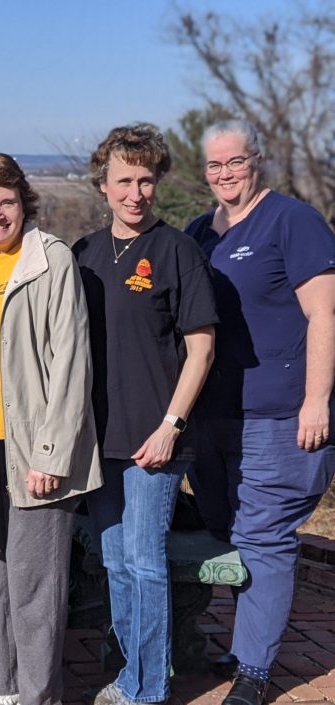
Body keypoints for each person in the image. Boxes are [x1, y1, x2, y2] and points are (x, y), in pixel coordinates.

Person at [185, 118, 335, 705]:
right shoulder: (200, 231)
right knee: (229, 532)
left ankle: (253, 671)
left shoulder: (292, 221)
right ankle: (249, 640)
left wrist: (316, 401)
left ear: (258, 161)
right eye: (214, 164)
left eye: (236, 161)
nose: (225, 173)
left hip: (278, 413)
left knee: (264, 536)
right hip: (212, 414)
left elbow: (324, 316)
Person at [72, 124, 218, 705]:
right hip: (99, 438)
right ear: (103, 185)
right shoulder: (83, 254)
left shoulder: (177, 251)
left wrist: (170, 427)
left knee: (145, 562)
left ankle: (148, 687)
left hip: (155, 439)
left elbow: (202, 349)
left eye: (146, 180)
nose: (136, 193)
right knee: (114, 561)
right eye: (124, 180)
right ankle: (131, 675)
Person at [0, 152, 102, 705]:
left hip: (36, 447)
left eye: (7, 202)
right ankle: (5, 688)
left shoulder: (50, 259)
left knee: (36, 584)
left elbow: (71, 362)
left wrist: (51, 453)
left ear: (24, 203)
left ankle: (40, 695)